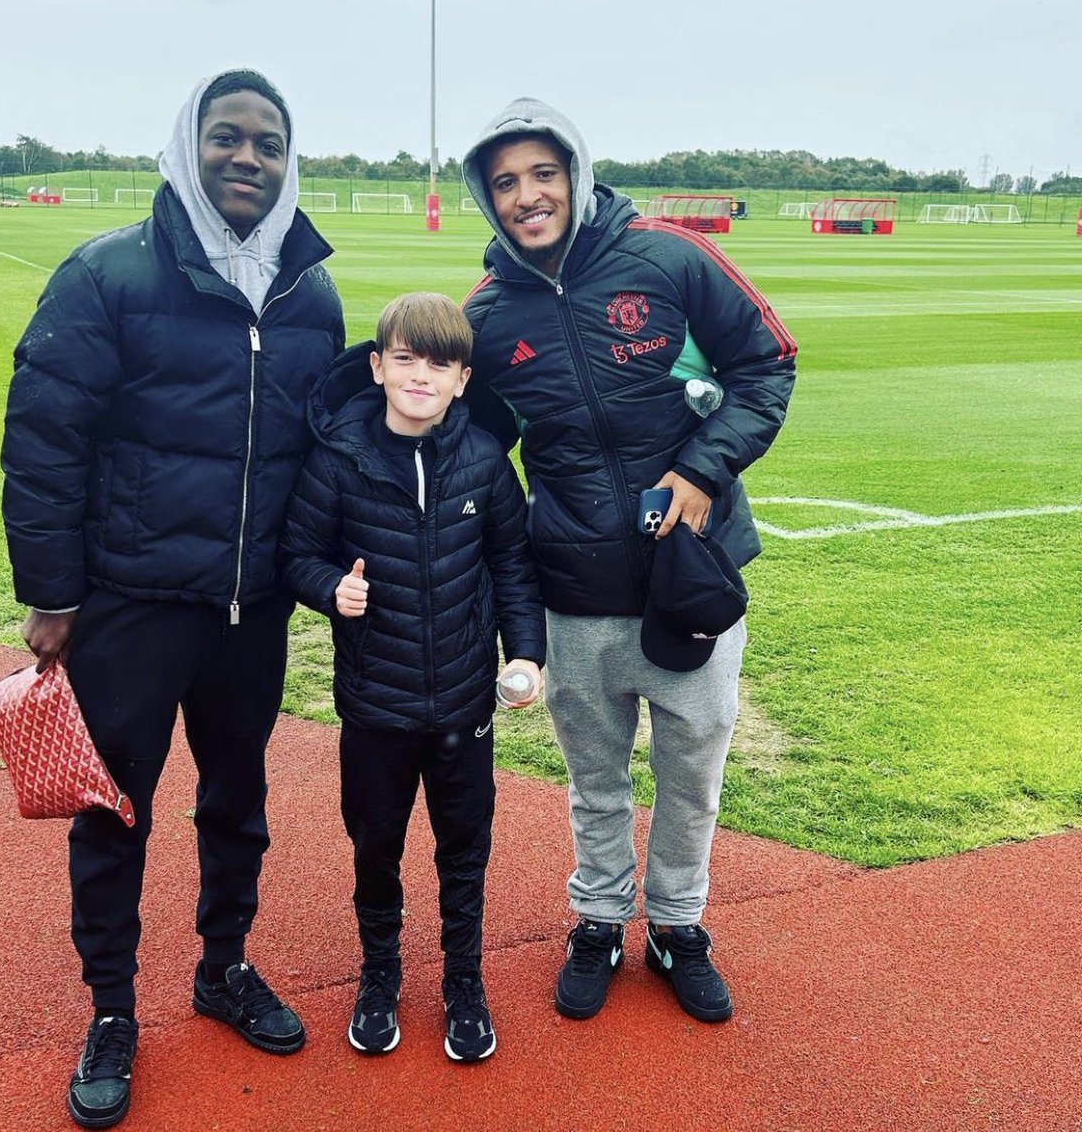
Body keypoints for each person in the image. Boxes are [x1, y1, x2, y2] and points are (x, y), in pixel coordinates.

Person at [0, 69, 346, 1128]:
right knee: (115, 813)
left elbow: (323, 456)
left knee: (237, 802)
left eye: (269, 144)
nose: (248, 158)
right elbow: (44, 440)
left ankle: (222, 966)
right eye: (226, 137)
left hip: (251, 611)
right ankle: (112, 1007)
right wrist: (52, 592)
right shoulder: (108, 272)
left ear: (288, 163)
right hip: (131, 605)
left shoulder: (310, 292)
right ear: (187, 146)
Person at [460, 98, 797, 1026]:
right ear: (487, 198)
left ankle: (678, 926)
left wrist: (702, 467)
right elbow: (473, 451)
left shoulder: (670, 258)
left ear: (574, 172)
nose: (527, 196)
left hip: (692, 575)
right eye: (505, 182)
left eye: (543, 173)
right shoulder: (486, 315)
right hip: (574, 590)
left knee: (691, 777)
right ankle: (600, 920)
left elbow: (766, 365)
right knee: (596, 780)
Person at [279, 292, 546, 1062]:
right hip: (375, 705)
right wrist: (330, 588)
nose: (420, 375)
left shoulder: (484, 461)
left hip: (463, 703)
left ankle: (464, 980)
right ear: (377, 367)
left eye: (439, 363)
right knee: (376, 847)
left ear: (462, 379)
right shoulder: (338, 458)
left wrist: (524, 654)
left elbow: (512, 564)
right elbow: (297, 553)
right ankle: (379, 974)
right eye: (405, 359)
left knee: (464, 851)